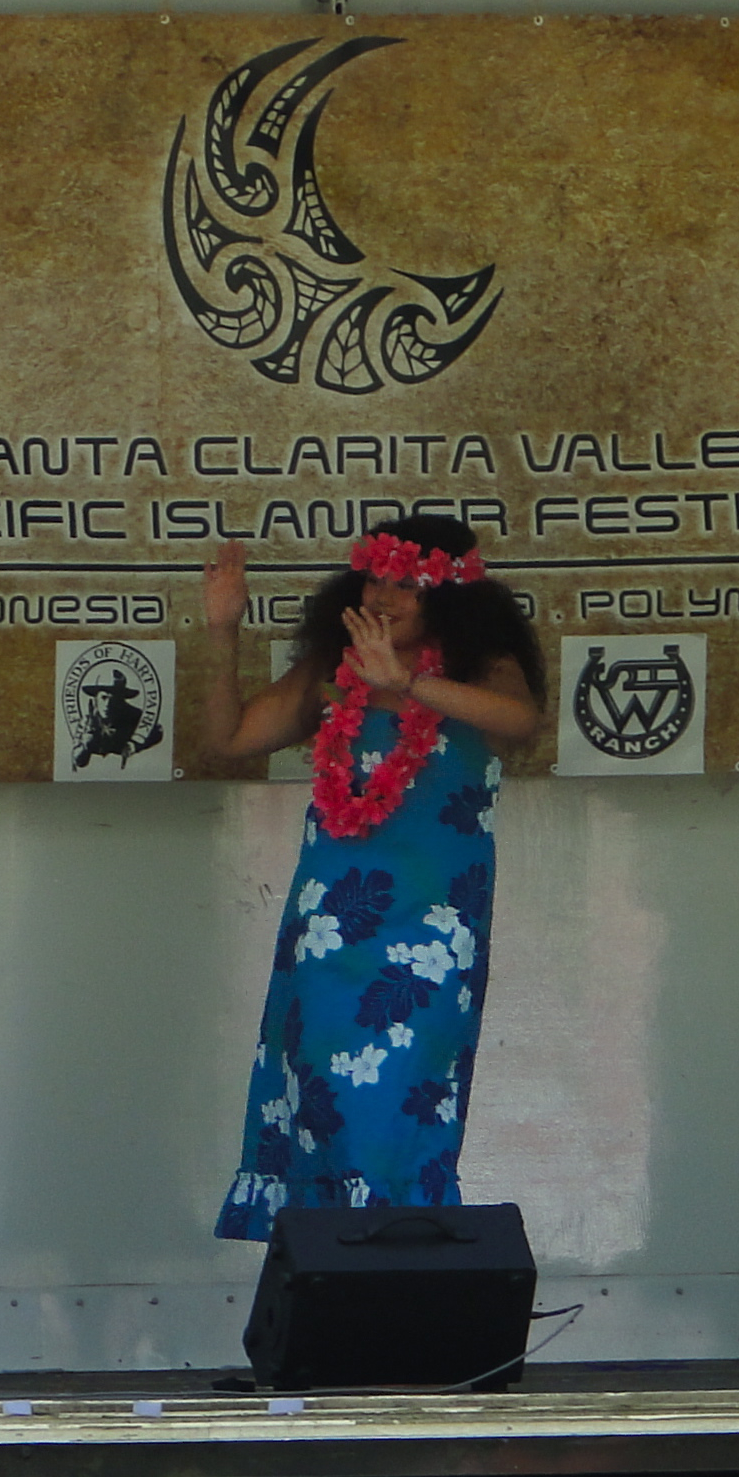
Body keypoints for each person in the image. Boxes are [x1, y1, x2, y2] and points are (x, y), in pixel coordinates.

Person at [198, 517, 543, 1239]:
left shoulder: (483, 666)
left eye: (406, 583)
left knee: (407, 1089)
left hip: (434, 931)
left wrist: (412, 685)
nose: (384, 595)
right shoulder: (334, 669)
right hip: (330, 932)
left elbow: (520, 721)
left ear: (450, 594)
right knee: (326, 1084)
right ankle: (339, 1254)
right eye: (375, 578)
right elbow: (229, 739)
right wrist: (224, 631)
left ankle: (399, 1248)